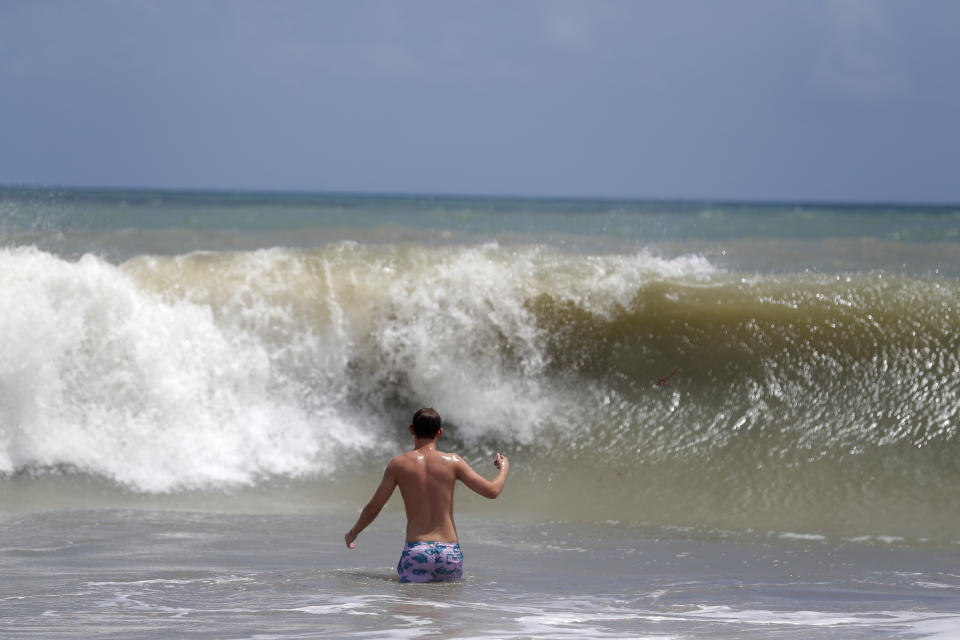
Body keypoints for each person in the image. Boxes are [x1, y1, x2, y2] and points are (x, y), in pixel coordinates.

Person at [344, 408, 510, 583]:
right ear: (439, 432)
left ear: (411, 430)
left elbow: (373, 508)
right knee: (445, 608)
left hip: (417, 551)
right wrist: (504, 467)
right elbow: (492, 491)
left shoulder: (398, 464)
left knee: (414, 608)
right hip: (449, 552)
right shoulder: (454, 462)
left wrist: (353, 533)